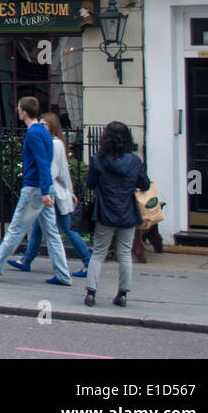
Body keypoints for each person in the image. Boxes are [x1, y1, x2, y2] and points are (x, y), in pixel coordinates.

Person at [0, 97, 72, 285]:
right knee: (51, 233)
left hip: (35, 189)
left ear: (24, 112)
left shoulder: (34, 133)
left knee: (16, 229)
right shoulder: (43, 131)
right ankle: (63, 274)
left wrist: (43, 191)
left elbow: (42, 163)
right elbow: (47, 160)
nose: (18, 111)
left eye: (19, 108)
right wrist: (46, 189)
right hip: (43, 187)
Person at [12, 112, 90, 278]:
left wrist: (48, 189)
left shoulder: (53, 145)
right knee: (38, 228)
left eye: (45, 125)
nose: (41, 127)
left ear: (52, 126)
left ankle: (88, 261)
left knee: (66, 229)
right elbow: (65, 171)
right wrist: (70, 191)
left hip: (51, 193)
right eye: (40, 124)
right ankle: (26, 260)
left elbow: (54, 171)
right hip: (54, 192)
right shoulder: (58, 143)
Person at [84, 121, 151, 307]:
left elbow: (90, 184)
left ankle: (91, 292)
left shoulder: (97, 160)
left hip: (105, 211)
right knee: (124, 253)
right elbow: (144, 184)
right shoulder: (135, 161)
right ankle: (122, 294)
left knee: (98, 252)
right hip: (127, 212)